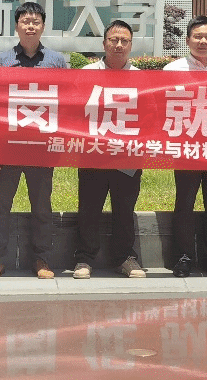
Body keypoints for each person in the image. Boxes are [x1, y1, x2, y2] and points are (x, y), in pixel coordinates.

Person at [0, 1, 70, 280]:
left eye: (35, 22)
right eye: (25, 21)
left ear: (43, 26)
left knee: (42, 206)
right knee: (0, 205)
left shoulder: (56, 61)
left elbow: (67, 103)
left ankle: (42, 259)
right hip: (7, 145)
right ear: (17, 26)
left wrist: (60, 143)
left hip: (42, 145)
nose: (30, 26)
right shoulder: (2, 60)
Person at [163, 15, 207, 278]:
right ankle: (183, 257)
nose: (203, 41)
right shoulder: (172, 70)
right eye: (197, 36)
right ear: (187, 40)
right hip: (186, 146)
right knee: (185, 202)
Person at [73, 20, 146, 279]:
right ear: (104, 43)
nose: (119, 45)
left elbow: (151, 115)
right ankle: (84, 258)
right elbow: (74, 111)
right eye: (114, 40)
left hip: (127, 155)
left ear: (131, 45)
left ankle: (124, 258)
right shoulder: (86, 74)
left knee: (124, 208)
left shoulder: (142, 78)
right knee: (89, 207)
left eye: (124, 41)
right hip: (93, 152)